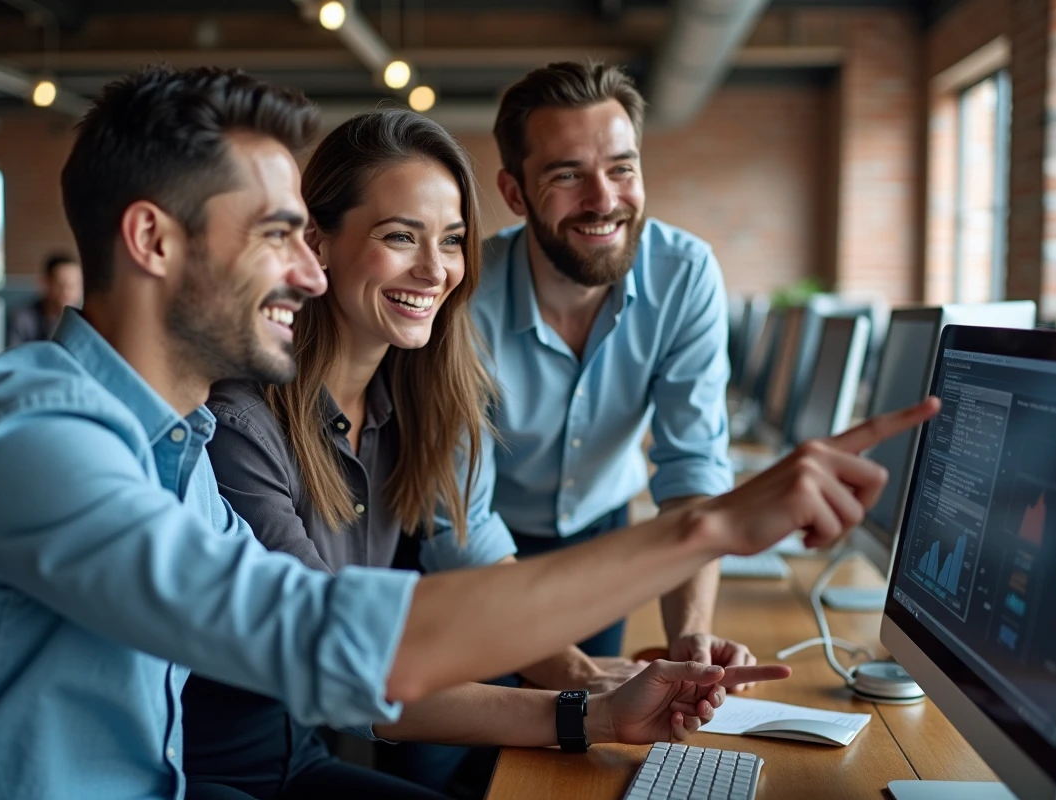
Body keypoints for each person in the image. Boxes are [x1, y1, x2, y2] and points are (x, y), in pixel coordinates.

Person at [0, 64, 936, 800]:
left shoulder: (167, 444)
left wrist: (591, 703)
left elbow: (341, 646)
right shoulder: (37, 435)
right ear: (152, 239)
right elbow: (324, 638)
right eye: (278, 235)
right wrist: (706, 528)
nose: (305, 273)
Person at [182, 109, 784, 800]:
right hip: (217, 771)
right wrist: (588, 707)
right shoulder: (240, 425)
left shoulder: (406, 409)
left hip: (303, 756)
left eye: (453, 240)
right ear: (317, 241)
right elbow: (348, 673)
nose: (435, 269)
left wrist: (612, 694)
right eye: (400, 236)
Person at [458, 61, 749, 671]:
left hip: (601, 540)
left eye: (622, 168)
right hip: (475, 551)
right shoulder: (464, 300)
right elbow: (459, 516)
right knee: (442, 761)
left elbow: (691, 468)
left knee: (579, 752)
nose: (604, 200)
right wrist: (561, 669)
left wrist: (691, 634)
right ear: (514, 193)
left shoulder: (684, 274)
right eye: (568, 175)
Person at [7, 252, 84, 346]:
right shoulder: (23, 319)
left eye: (73, 285)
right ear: (45, 283)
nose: (67, 292)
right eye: (60, 285)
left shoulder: (85, 322)